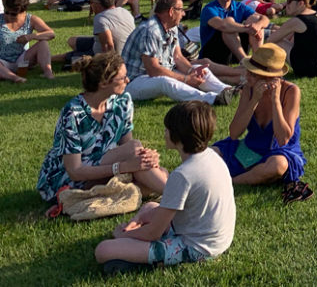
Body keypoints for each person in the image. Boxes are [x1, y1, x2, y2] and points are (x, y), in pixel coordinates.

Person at [94, 102, 235, 274]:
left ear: (178, 136)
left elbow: (153, 233)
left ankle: (145, 260)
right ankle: (135, 244)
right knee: (150, 207)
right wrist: (138, 223)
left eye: (167, 129)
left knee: (103, 250)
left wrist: (122, 235)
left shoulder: (183, 175)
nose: (165, 133)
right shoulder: (212, 156)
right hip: (216, 237)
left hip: (197, 248)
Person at [37, 52, 167, 204]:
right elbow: (75, 171)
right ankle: (176, 195)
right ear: (104, 83)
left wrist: (145, 158)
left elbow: (127, 146)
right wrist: (122, 167)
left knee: (155, 170)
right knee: (149, 168)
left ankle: (167, 192)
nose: (128, 80)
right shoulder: (73, 113)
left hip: (103, 166)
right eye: (122, 78)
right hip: (65, 179)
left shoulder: (122, 102)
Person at [212, 43, 306, 185]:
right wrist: (253, 101)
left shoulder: (291, 92)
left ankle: (231, 182)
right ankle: (247, 176)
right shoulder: (248, 89)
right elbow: (234, 133)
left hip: (279, 152)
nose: (247, 76)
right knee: (208, 154)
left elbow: (283, 139)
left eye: (253, 74)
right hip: (250, 147)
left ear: (269, 77)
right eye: (248, 71)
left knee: (278, 165)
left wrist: (275, 101)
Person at [122, 0, 236, 105]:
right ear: (171, 11)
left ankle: (227, 90)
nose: (183, 14)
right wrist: (186, 79)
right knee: (164, 82)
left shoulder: (172, 27)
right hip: (135, 81)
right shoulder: (150, 31)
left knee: (198, 69)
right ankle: (211, 99)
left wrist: (191, 72)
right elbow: (153, 70)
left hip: (158, 75)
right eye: (181, 10)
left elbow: (178, 57)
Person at [266, 0, 317, 78]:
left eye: (289, 1)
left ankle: (265, 68)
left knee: (276, 42)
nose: (286, 5)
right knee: (289, 37)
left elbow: (270, 39)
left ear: (300, 3)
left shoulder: (296, 21)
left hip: (314, 68)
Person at [199, 0, 268, 67]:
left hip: (233, 50)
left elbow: (265, 19)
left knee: (255, 19)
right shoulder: (209, 9)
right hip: (213, 53)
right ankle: (245, 63)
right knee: (229, 24)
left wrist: (257, 26)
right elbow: (222, 26)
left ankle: (258, 60)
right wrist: (248, 29)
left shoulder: (238, 6)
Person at [67, 0, 136, 60]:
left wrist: (109, 64)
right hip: (129, 52)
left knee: (71, 57)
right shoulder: (125, 11)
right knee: (72, 41)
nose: (90, 5)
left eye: (91, 2)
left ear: (97, 4)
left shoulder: (100, 18)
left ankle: (54, 59)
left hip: (110, 56)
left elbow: (108, 46)